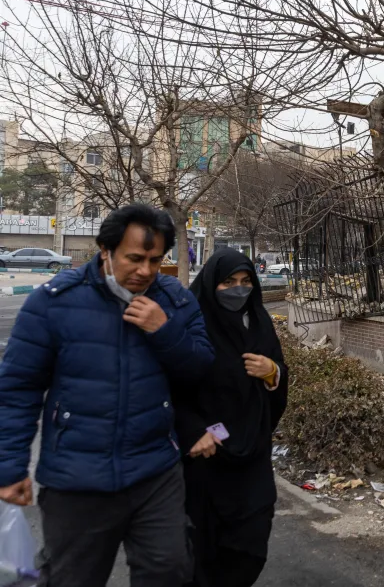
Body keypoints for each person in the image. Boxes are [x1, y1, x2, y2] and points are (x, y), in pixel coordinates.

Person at [0, 204, 214, 587]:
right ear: (105, 250)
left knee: (170, 570)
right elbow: (17, 389)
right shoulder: (53, 303)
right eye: (134, 258)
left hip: (155, 471)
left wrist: (164, 331)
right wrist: (10, 466)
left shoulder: (176, 301)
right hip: (77, 477)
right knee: (73, 578)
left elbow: (200, 369)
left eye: (155, 259)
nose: (146, 271)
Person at [174, 249, 289, 587]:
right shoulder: (190, 324)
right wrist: (194, 430)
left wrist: (273, 373)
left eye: (245, 282)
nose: (239, 290)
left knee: (251, 542)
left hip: (251, 452)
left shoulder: (258, 320)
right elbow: (169, 388)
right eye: (228, 282)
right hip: (205, 458)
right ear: (211, 284)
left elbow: (279, 372)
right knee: (201, 551)